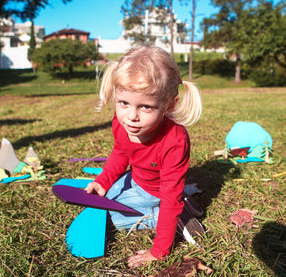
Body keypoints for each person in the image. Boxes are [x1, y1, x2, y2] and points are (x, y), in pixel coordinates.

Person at [85, 45, 203, 267]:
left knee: (111, 217)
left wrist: (159, 251)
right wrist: (103, 181)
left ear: (169, 105)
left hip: (156, 192)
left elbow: (169, 197)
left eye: (146, 107)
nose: (131, 117)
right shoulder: (122, 124)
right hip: (136, 178)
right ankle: (180, 205)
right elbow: (120, 153)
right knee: (99, 199)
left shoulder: (174, 141)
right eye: (124, 103)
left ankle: (180, 215)